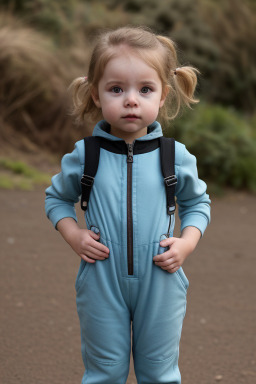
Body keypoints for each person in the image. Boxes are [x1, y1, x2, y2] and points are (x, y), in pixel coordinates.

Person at [45, 26, 211, 384]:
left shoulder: (175, 156)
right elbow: (57, 198)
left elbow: (198, 203)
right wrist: (72, 233)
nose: (131, 100)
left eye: (145, 89)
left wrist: (187, 242)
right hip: (101, 279)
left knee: (160, 374)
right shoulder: (84, 155)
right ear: (95, 93)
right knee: (104, 373)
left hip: (162, 278)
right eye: (116, 89)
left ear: (163, 95)